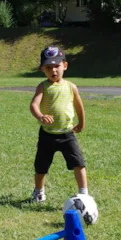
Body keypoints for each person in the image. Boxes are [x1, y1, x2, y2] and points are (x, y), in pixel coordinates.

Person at [28, 46, 88, 203]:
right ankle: (39, 192)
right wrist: (40, 116)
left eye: (57, 66)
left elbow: (79, 105)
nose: (53, 70)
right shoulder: (43, 86)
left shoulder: (71, 87)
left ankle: (83, 193)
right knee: (41, 167)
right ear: (43, 69)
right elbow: (34, 104)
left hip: (67, 134)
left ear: (65, 66)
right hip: (47, 135)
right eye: (48, 67)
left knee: (79, 163)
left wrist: (81, 123)